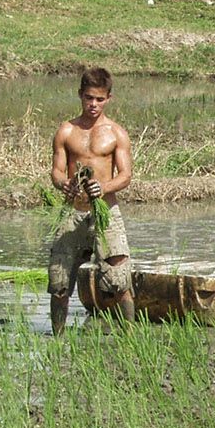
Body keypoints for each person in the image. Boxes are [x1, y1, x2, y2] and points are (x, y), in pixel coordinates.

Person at [48, 67, 134, 334]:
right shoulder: (66, 131)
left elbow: (126, 175)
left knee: (119, 279)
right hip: (72, 213)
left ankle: (131, 339)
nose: (93, 105)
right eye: (88, 98)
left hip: (105, 211)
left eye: (99, 99)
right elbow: (57, 171)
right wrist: (65, 184)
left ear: (108, 98)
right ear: (80, 96)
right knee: (59, 282)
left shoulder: (116, 133)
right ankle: (58, 338)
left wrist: (103, 187)